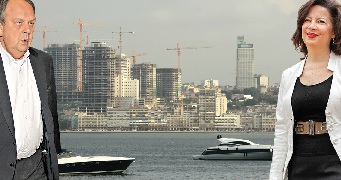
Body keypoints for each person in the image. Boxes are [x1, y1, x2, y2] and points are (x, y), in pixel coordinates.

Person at [269, 0, 341, 179]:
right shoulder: (289, 75)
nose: (311, 26)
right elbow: (282, 132)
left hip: (335, 165)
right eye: (307, 20)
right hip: (298, 166)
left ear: (334, 31)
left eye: (321, 21)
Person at [0, 0, 59, 179]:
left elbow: (51, 117)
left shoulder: (43, 62)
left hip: (37, 168)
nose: (27, 29)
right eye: (19, 23)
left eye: (31, 23)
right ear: (0, 28)